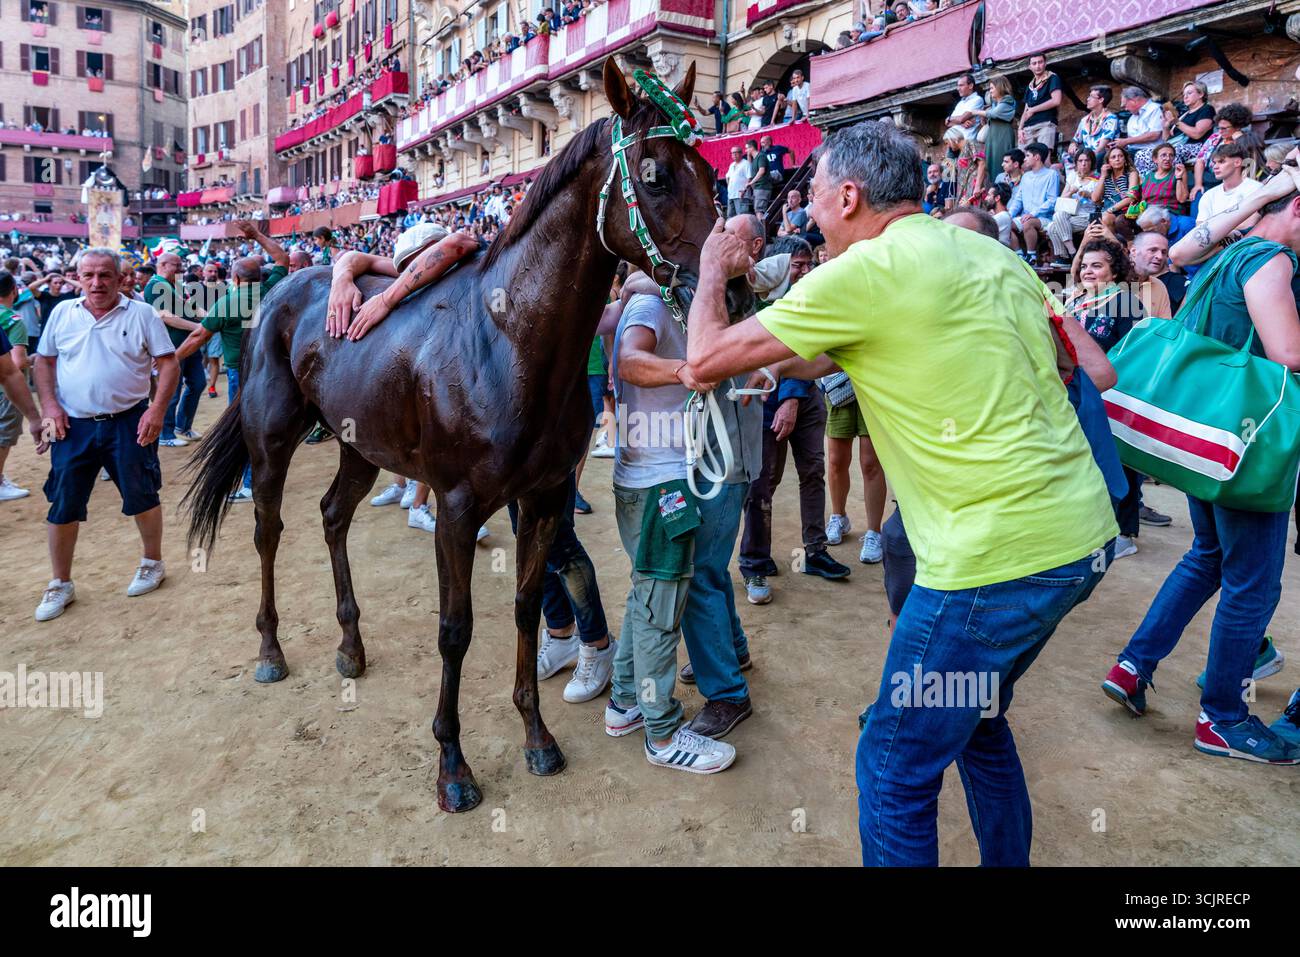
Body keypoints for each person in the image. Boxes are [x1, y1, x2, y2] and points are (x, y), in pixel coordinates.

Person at [682, 120, 1117, 866]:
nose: (810, 217)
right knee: (977, 720)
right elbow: (1063, 358)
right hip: (1081, 538)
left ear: (848, 195)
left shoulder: (865, 272)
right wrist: (793, 363)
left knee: (891, 764)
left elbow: (700, 361)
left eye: (814, 200)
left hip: (992, 561)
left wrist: (711, 267)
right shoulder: (992, 253)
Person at [1103, 161, 1300, 765]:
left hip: (1204, 439)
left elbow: (1186, 245)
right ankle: (1223, 716)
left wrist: (1263, 194)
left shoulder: (1225, 253)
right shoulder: (1273, 261)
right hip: (1243, 446)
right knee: (1253, 583)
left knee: (1207, 557)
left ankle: (1135, 665)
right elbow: (1287, 353)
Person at [605, 258, 757, 768]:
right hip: (658, 482)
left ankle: (625, 703)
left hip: (655, 477)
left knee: (648, 594)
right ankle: (663, 735)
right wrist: (685, 371)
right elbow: (628, 360)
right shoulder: (651, 301)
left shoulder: (664, 298)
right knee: (661, 607)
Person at [32, 248, 180, 621]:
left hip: (129, 421)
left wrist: (157, 410)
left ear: (119, 278)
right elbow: (45, 361)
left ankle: (152, 562)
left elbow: (168, 361)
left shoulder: (142, 313)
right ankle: (60, 582)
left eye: (104, 276)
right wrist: (50, 406)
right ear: (78, 277)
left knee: (141, 492)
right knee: (63, 499)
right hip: (73, 425)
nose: (96, 283)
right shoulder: (62, 313)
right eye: (89, 276)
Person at [739, 238, 851, 603]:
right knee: (761, 481)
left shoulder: (810, 299)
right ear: (776, 267)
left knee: (812, 471)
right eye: (797, 265)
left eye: (807, 264)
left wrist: (792, 398)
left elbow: (809, 351)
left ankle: (814, 551)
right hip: (767, 401)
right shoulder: (753, 300)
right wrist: (786, 399)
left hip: (804, 397)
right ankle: (754, 562)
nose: (805, 271)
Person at [174, 223, 290, 502]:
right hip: (279, 371)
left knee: (246, 428)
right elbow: (282, 259)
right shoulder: (272, 289)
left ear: (235, 279)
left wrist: (170, 361)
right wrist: (257, 236)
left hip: (244, 373)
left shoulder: (227, 302)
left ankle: (251, 484)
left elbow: (199, 336)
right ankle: (265, 478)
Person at [1065, 237, 1145, 559]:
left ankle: (1124, 532)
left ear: (1113, 272)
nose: (1088, 271)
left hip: (1117, 396)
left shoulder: (1128, 304)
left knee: (1119, 462)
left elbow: (1136, 354)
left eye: (1097, 266)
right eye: (1084, 266)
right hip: (1080, 396)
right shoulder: (1072, 302)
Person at [143, 252, 205, 446]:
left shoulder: (174, 285)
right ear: (162, 264)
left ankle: (182, 426)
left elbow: (189, 307)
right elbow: (165, 317)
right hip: (170, 346)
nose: (181, 269)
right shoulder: (155, 287)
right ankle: (165, 434)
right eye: (176, 265)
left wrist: (209, 319)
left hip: (188, 343)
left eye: (180, 265)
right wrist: (200, 327)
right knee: (171, 389)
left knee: (198, 383)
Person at [0, 272, 32, 500]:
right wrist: (34, 358)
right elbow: (18, 362)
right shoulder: (12, 320)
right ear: (14, 291)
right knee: (4, 433)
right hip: (5, 389)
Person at [1045, 148, 1099, 267]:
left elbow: (1099, 201)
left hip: (1087, 216)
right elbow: (1062, 197)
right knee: (1058, 216)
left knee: (1052, 227)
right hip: (1070, 214)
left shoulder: (1097, 179)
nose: (1083, 164)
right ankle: (1072, 252)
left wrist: (1089, 195)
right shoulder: (1073, 176)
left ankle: (1065, 257)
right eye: (1080, 161)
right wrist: (1071, 192)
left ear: (1092, 162)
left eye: (1087, 160)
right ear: (1076, 163)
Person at [1006, 142, 1059, 264]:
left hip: (1044, 218)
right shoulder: (1026, 176)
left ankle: (1031, 256)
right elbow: (1018, 199)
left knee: (1028, 224)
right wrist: (1009, 214)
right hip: (1026, 216)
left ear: (1037, 157)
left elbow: (1052, 200)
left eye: (1027, 156)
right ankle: (1019, 254)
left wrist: (1034, 213)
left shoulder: (1051, 174)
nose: (1024, 159)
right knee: (1005, 222)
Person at [1195, 141, 1262, 234]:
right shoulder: (1209, 195)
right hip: (1215, 246)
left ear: (1237, 162)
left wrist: (1213, 230)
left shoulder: (1255, 189)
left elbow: (1251, 223)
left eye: (1221, 162)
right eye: (1214, 163)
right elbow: (1200, 229)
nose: (1215, 167)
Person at [973, 74, 1017, 179]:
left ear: (1000, 87)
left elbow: (994, 113)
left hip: (1002, 137)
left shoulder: (1008, 100)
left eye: (992, 88)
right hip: (993, 138)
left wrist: (975, 112)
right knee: (991, 163)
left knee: (1000, 163)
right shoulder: (995, 104)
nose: (990, 91)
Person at [1018, 53, 1062, 149]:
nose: (1037, 66)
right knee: (1023, 159)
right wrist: (1020, 128)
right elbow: (1026, 109)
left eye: (1040, 62)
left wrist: (1033, 110)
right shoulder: (1030, 86)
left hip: (1045, 123)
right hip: (1028, 127)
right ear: (1030, 67)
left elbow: (1056, 101)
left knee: (1043, 157)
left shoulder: (1052, 78)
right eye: (1034, 63)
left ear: (1045, 63)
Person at [1114, 86, 1164, 157]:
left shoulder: (1155, 109)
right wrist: (1119, 144)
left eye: (1125, 106)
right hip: (1133, 150)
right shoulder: (1132, 117)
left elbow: (1154, 135)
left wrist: (1126, 141)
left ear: (1134, 101)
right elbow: (1131, 139)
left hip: (1150, 152)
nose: (1125, 109)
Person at [1072, 85, 1120, 155]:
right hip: (1087, 156)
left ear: (1101, 100)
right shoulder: (1085, 120)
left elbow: (1102, 147)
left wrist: (1089, 158)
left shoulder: (1111, 119)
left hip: (1103, 156)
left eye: (1091, 97)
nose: (1088, 99)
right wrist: (1073, 144)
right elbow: (1076, 139)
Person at [725, 146, 751, 217]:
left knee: (741, 217)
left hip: (741, 195)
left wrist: (744, 190)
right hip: (731, 195)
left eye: (736, 153)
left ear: (741, 153)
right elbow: (727, 176)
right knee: (730, 217)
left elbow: (749, 178)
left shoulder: (746, 163)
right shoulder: (732, 165)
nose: (734, 155)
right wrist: (730, 187)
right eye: (732, 153)